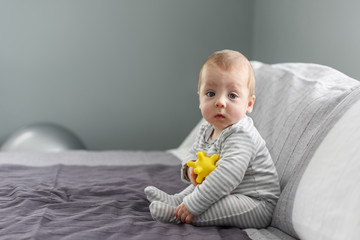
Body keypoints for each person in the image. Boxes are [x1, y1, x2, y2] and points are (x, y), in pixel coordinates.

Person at [144, 49, 280, 228]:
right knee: (204, 183)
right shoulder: (207, 129)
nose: (220, 102)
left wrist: (193, 205)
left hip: (254, 203)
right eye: (210, 93)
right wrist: (190, 168)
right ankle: (176, 200)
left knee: (213, 196)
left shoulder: (241, 135)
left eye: (232, 95)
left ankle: (178, 214)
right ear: (200, 98)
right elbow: (194, 154)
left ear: (248, 104)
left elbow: (226, 177)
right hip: (226, 190)